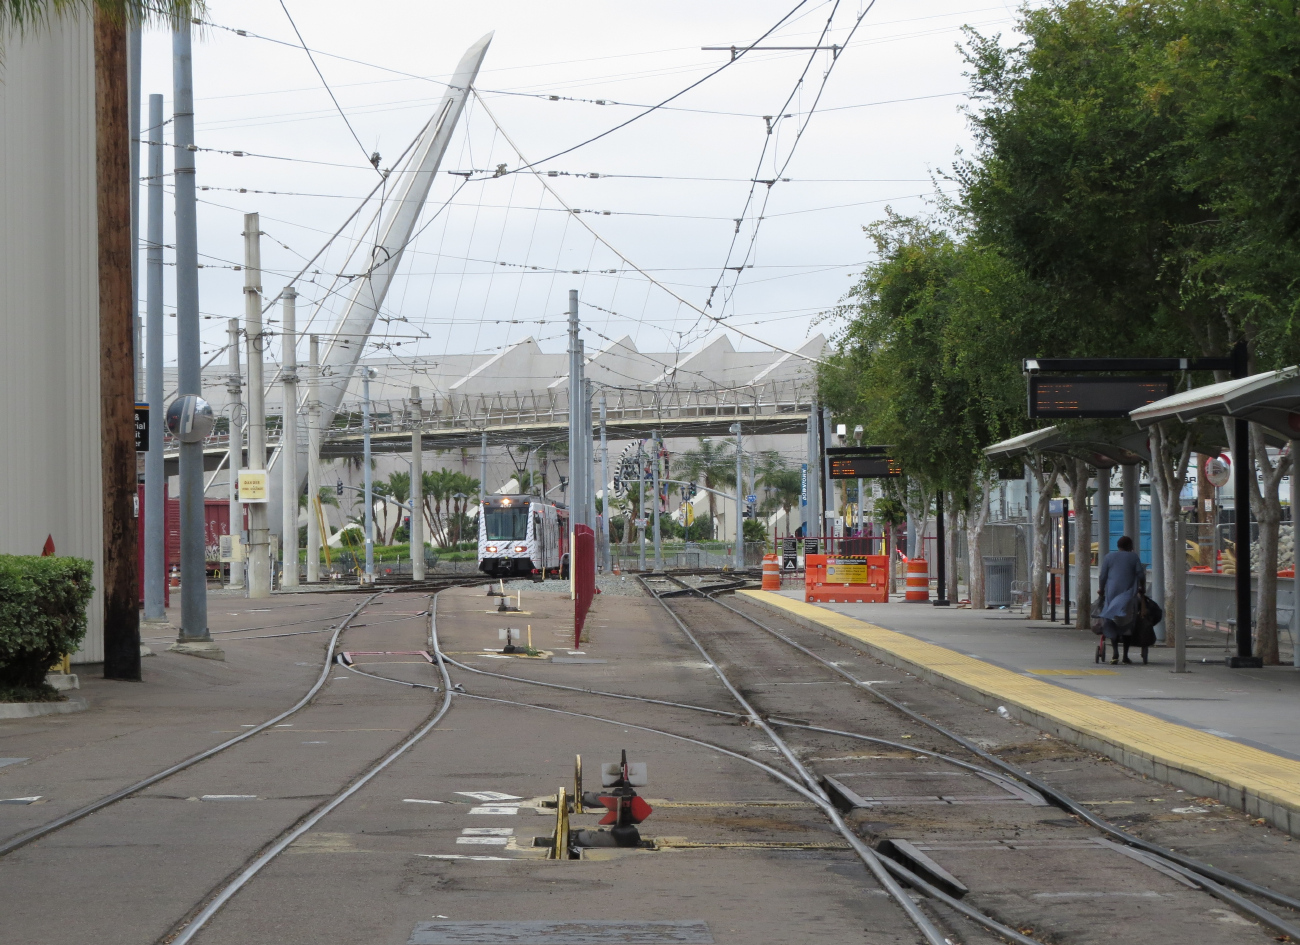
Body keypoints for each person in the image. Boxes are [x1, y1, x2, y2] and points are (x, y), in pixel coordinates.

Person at [1097, 535, 1145, 664]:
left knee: (1112, 620)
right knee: (1127, 624)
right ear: (1130, 546)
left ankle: (1115, 653)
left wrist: (1101, 590)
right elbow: (1140, 574)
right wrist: (1143, 588)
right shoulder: (1133, 557)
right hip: (1128, 595)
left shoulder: (1108, 557)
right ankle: (1125, 655)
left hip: (1111, 595)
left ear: (1118, 546)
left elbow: (1102, 576)